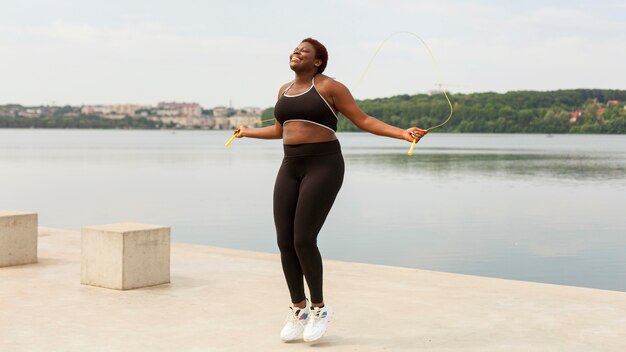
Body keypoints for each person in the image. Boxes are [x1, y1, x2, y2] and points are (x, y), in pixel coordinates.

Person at [235, 37, 427, 342]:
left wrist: (402, 133)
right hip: (290, 165)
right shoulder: (283, 90)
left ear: (317, 62)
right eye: (294, 50)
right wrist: (248, 132)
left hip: (324, 165)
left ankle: (320, 309)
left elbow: (363, 119)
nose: (295, 53)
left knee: (303, 239)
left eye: (303, 51)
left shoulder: (330, 87)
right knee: (284, 240)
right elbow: (279, 129)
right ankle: (298, 310)